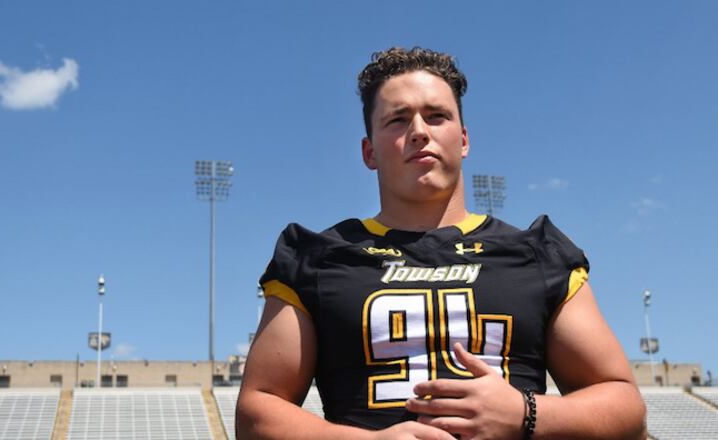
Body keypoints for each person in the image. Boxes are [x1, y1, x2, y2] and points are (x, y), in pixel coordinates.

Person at [236, 47, 646, 439]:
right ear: (369, 151)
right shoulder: (318, 257)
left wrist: (526, 413)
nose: (419, 131)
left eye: (436, 116)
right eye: (398, 120)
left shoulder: (537, 253)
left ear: (463, 140)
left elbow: (627, 411)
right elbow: (257, 413)